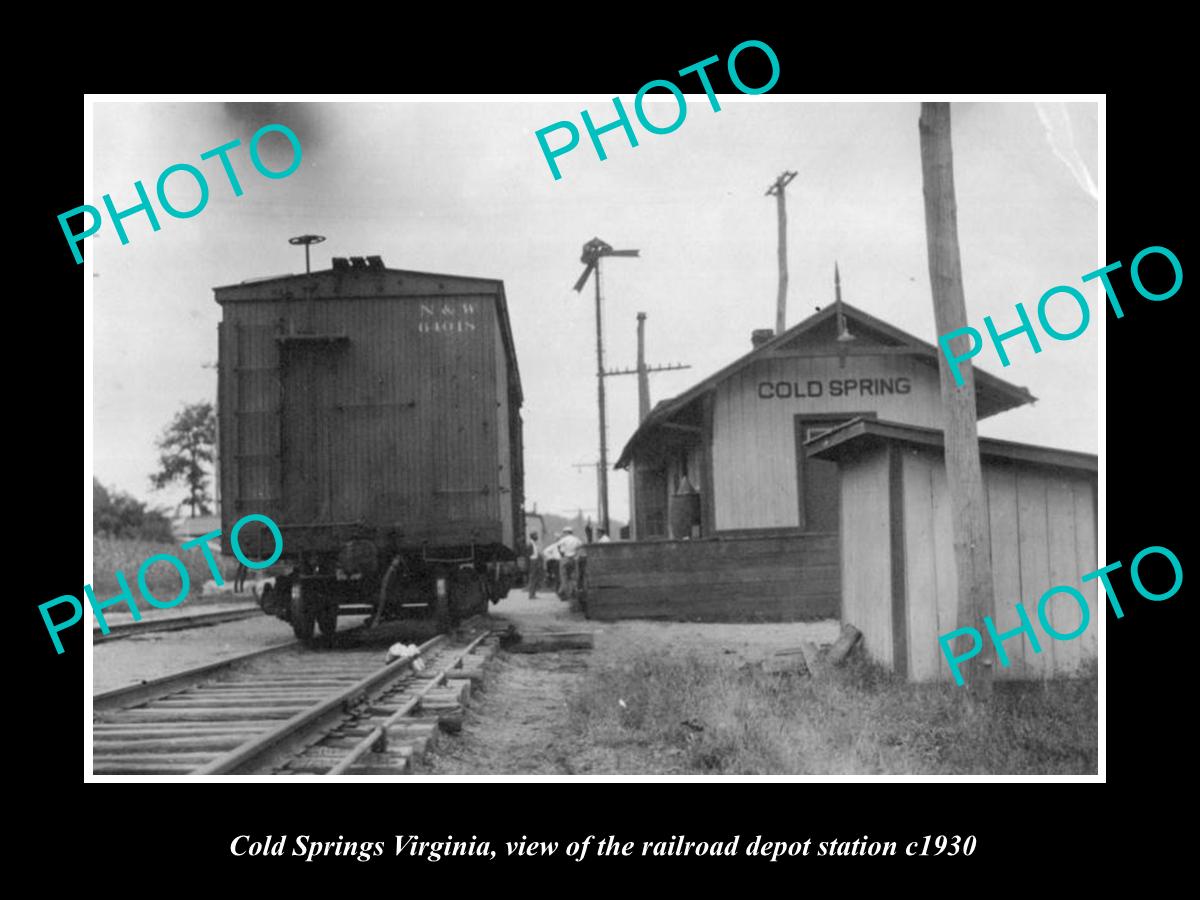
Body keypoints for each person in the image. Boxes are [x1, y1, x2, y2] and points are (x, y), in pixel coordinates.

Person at [549, 527, 585, 597]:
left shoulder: (564, 539)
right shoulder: (576, 539)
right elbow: (581, 546)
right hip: (574, 559)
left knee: (564, 577)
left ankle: (564, 593)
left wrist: (562, 554)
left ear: (566, 532)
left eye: (564, 533)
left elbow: (559, 547)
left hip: (565, 558)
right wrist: (576, 553)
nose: (564, 534)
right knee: (572, 577)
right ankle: (572, 591)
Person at [527, 532, 544, 599]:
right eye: (536, 535)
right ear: (532, 536)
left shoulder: (534, 543)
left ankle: (533, 594)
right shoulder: (530, 544)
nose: (537, 536)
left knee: (535, 578)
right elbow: (529, 555)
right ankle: (531, 594)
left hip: (535, 561)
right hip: (533, 562)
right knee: (532, 578)